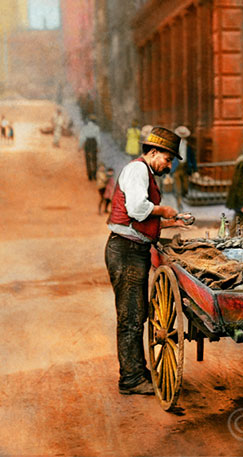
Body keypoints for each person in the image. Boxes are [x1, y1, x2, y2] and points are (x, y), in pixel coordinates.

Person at [105, 126, 194, 396]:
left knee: (137, 314)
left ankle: (137, 369)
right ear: (153, 152)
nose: (168, 166)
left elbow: (143, 222)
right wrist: (165, 209)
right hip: (125, 251)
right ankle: (130, 379)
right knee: (131, 317)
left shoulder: (146, 173)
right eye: (167, 159)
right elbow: (137, 210)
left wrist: (171, 222)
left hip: (134, 249)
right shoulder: (138, 170)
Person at [170, 125, 197, 210]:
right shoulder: (173, 146)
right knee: (178, 187)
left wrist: (195, 170)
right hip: (176, 168)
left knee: (185, 186)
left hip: (185, 167)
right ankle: (179, 203)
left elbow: (193, 158)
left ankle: (182, 198)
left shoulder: (189, 146)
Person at [78, 114, 101, 180]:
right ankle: (94, 174)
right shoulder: (97, 128)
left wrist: (80, 146)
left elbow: (82, 138)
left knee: (88, 159)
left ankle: (89, 175)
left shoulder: (84, 128)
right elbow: (98, 138)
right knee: (94, 159)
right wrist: (99, 146)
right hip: (94, 143)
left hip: (87, 143)